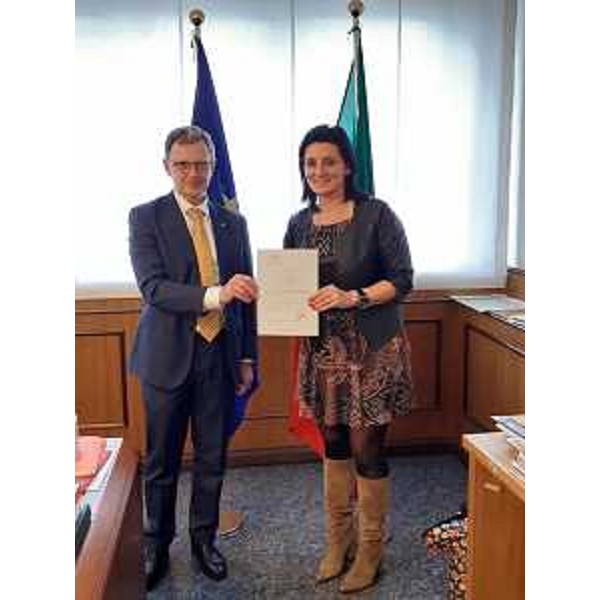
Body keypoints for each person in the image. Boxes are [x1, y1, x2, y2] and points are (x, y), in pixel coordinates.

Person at [283, 124, 415, 594]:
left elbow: (402, 279)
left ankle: (371, 549)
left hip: (371, 351)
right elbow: (290, 285)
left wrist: (352, 296)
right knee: (334, 443)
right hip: (321, 353)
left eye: (329, 161)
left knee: (367, 448)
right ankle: (339, 542)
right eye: (310, 163)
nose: (319, 170)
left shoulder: (377, 214)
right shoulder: (299, 223)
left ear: (347, 166)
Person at [128, 125, 258, 591]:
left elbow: (246, 296)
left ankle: (204, 540)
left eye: (201, 164)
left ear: (213, 165)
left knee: (211, 457)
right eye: (183, 164)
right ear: (167, 167)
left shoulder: (233, 223)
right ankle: (156, 544)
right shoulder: (145, 217)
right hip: (167, 358)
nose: (193, 173)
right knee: (161, 461)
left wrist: (247, 357)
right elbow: (154, 288)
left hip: (219, 356)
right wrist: (216, 294)